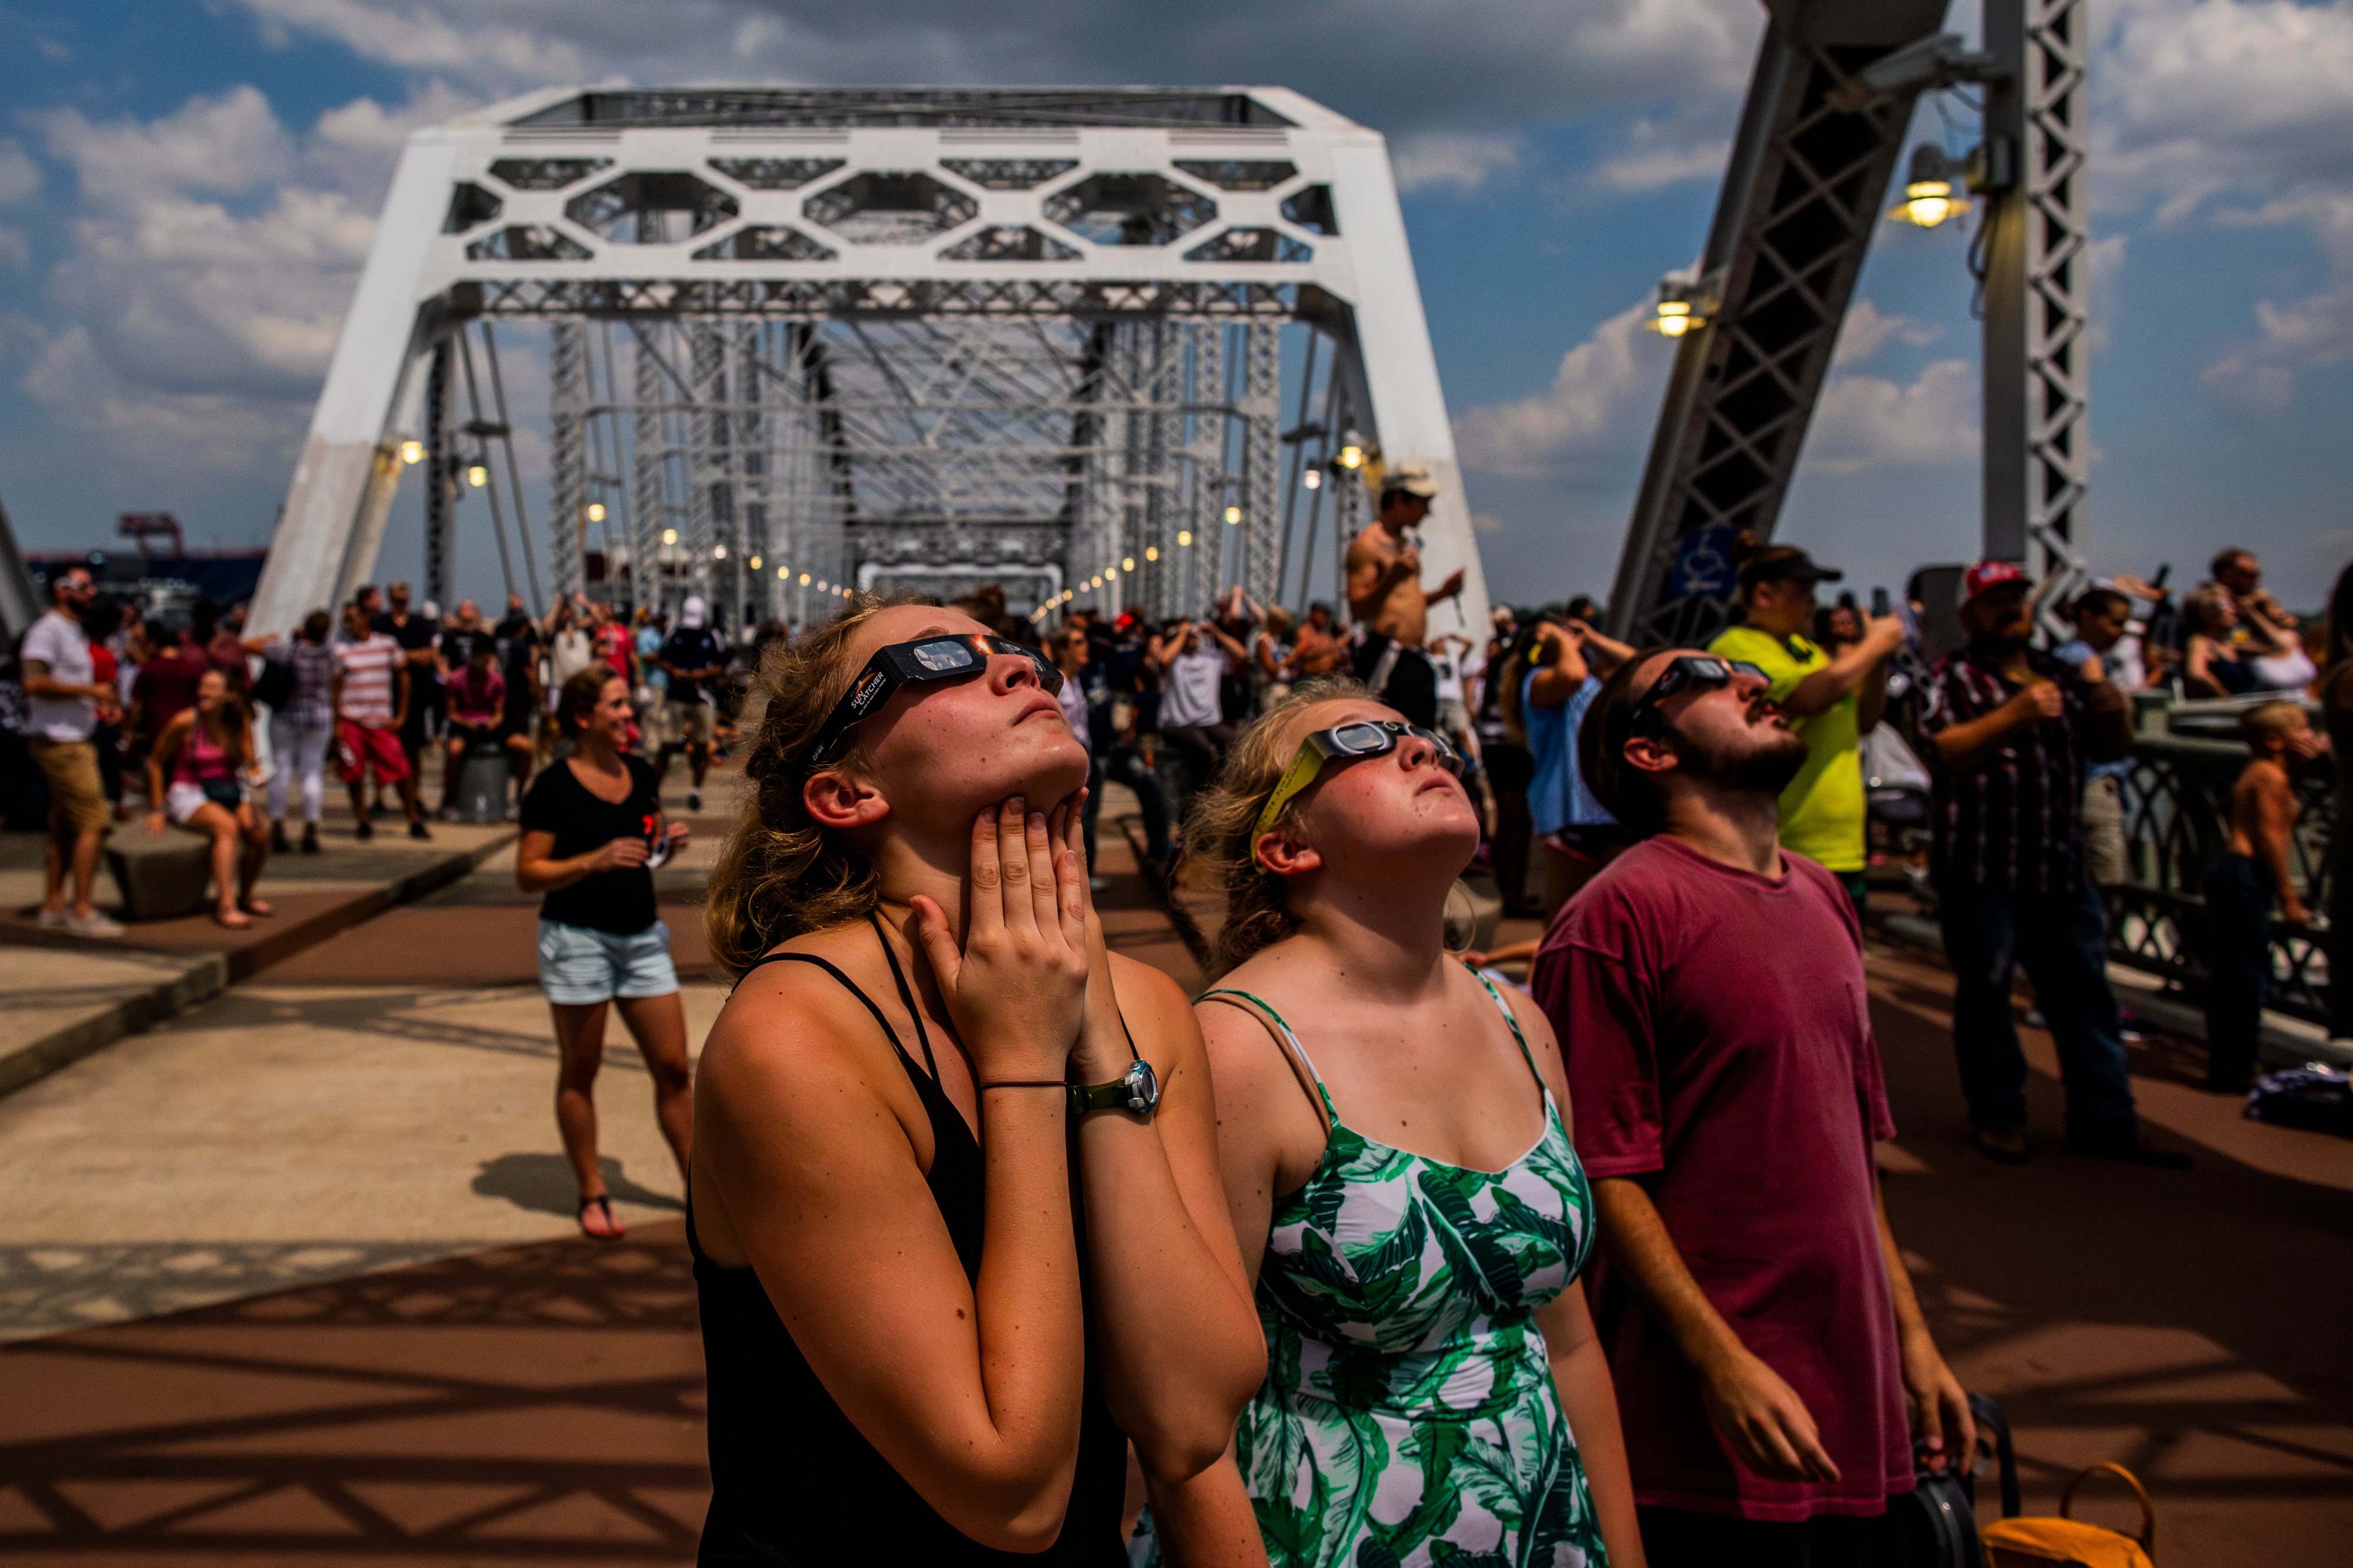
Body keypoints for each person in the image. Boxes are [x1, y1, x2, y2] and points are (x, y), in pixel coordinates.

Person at [688, 598, 1264, 1561]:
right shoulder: (796, 1035)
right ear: (847, 791)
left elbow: (1192, 1419)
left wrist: (1094, 1034)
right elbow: (1011, 1491)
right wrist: (1023, 1065)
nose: (1018, 669)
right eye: (938, 659)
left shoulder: (1150, 1008)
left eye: (1019, 652)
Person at [1141, 683, 1642, 1568]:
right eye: (1361, 742)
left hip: (1544, 1524)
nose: (1425, 749)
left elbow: (1567, 1341)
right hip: (1326, 1533)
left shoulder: (1518, 1019)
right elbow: (1187, 1419)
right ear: (1286, 844)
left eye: (1424, 735)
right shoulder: (1242, 1050)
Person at [1535, 649, 1971, 1563]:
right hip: (1711, 1432)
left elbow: (1854, 1155)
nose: (1749, 679)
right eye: (1702, 674)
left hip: (1855, 1408)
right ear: (1649, 750)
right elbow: (1603, 1176)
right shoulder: (1616, 919)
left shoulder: (1820, 892)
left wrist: (1914, 1343)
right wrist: (1720, 1361)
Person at [1920, 562, 2187, 1167]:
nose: (2011, 609)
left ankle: (2107, 1121)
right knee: (1987, 992)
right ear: (1969, 615)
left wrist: (2113, 708)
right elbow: (1942, 752)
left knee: (2085, 995)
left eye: (2017, 597)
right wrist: (2012, 715)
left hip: (2058, 866)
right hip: (1983, 867)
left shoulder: (2061, 674)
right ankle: (1999, 1113)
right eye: (1996, 601)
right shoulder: (1950, 677)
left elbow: (2110, 749)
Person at [516, 669, 694, 1240]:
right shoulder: (553, 786)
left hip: (642, 937)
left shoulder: (638, 770)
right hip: (577, 940)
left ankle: (701, 1188)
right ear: (583, 716)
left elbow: (645, 850)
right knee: (582, 1068)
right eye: (617, 704)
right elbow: (528, 872)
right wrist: (590, 860)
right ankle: (592, 1188)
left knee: (672, 1068)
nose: (629, 712)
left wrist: (667, 847)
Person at [1708, 539, 1908, 913]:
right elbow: (1806, 697)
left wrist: (1877, 659)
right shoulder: (1739, 646)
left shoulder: (1806, 650)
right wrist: (1875, 647)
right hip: (1787, 845)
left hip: (1842, 847)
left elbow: (1863, 722)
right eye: (1801, 592)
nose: (1812, 603)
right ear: (1763, 594)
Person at [2202, 701, 2324, 1093]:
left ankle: (2229, 1063)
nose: (2311, 737)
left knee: (2233, 973)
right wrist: (2289, 898)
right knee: (2244, 976)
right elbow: (2269, 839)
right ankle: (2236, 1068)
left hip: (2233, 873)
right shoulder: (2270, 776)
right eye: (2303, 730)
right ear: (2274, 740)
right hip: (2245, 875)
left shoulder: (2264, 770)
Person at [22, 565, 125, 936]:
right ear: (61, 590)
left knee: (64, 825)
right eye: (84, 586)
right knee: (93, 822)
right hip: (61, 741)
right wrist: (89, 693)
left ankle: (54, 903)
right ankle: (81, 910)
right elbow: (33, 681)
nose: (92, 593)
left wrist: (98, 698)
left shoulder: (71, 632)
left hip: (71, 735)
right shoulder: (47, 631)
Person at [1512, 613, 1637, 918]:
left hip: (1608, 808)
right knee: (1565, 914)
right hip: (1567, 812)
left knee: (1614, 911)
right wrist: (1555, 638)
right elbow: (1572, 676)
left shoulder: (1598, 678)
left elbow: (1640, 668)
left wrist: (1591, 636)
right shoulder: (1538, 682)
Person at [144, 668, 272, 928]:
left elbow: (249, 762)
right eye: (202, 686)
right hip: (189, 789)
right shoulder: (185, 722)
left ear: (228, 695)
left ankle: (246, 896)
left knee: (260, 833)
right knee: (228, 827)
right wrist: (158, 808)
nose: (204, 692)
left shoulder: (238, 722)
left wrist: (257, 775)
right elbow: (156, 762)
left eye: (213, 687)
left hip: (228, 787)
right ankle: (226, 905)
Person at [1344, 461, 1463, 728]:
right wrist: (1391, 578)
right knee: (1389, 739)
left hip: (1415, 656)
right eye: (1424, 502)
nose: (1427, 512)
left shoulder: (1404, 546)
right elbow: (1358, 610)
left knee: (1421, 737)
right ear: (1400, 499)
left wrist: (1444, 593)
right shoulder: (1367, 546)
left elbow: (1408, 602)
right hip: (1388, 657)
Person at [2054, 587, 2144, 889]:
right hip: (2093, 782)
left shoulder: (2066, 657)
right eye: (2115, 623)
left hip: (2081, 782)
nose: (2120, 633)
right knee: (2105, 878)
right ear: (2087, 616)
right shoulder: (2083, 660)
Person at [332, 599, 428, 841]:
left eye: (351, 618)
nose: (347, 624)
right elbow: (335, 687)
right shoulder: (341, 650)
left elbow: (404, 679)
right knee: (354, 771)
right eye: (345, 619)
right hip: (351, 719)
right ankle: (362, 820)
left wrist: (401, 715)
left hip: (380, 720)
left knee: (400, 768)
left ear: (364, 620)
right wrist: (336, 723)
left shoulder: (386, 645)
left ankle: (413, 818)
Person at [1149, 615, 1248, 815]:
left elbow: (1242, 655)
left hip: (1208, 721)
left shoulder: (1210, 658)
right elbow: (1164, 660)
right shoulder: (1174, 661)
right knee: (1207, 750)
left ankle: (1231, 795)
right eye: (1187, 636)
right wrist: (1183, 633)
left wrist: (1217, 633)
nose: (1192, 638)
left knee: (1242, 742)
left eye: (1194, 636)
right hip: (1177, 723)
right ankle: (1210, 803)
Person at [260, 610, 338, 855]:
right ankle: (310, 827)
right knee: (312, 773)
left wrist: (290, 637)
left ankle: (278, 825)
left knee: (281, 768)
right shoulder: (331, 653)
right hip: (319, 716)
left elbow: (251, 645)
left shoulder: (290, 651)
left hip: (287, 715)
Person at [656, 595, 729, 812]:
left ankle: (696, 790)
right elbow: (662, 658)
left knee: (702, 746)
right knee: (667, 745)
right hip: (676, 695)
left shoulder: (711, 634)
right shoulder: (674, 632)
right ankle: (652, 793)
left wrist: (702, 674)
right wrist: (674, 671)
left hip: (702, 697)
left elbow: (721, 663)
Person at [440, 637, 525, 818]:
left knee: (525, 747)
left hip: (489, 725)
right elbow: (452, 713)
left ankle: (518, 799)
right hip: (465, 723)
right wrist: (469, 724)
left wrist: (494, 722)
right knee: (454, 750)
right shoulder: (456, 679)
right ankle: (449, 798)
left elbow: (499, 711)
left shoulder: (496, 680)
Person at [374, 581, 441, 788]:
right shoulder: (380, 622)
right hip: (384, 693)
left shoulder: (419, 622)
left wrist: (397, 655)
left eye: (405, 587)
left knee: (412, 749)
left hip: (416, 693)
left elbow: (429, 655)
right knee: (382, 748)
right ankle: (379, 797)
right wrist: (409, 656)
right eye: (397, 588)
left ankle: (415, 795)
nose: (402, 591)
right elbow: (375, 653)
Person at [2181, 588, 2257, 698]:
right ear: (2206, 613)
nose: (2232, 609)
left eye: (2231, 603)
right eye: (2225, 604)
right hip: (2222, 711)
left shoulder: (2232, 644)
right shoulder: (2199, 642)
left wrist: (2251, 612)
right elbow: (2196, 674)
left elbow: (2279, 647)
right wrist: (2224, 697)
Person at [1289, 600, 1347, 680]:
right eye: (1322, 614)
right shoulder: (1304, 631)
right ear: (1313, 613)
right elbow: (1304, 654)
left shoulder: (1325, 635)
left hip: (1326, 679)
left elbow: (1336, 654)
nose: (1324, 618)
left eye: (1327, 615)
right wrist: (1335, 645)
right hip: (1308, 678)